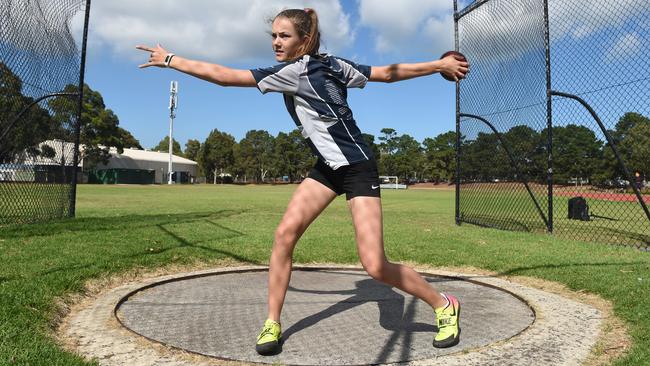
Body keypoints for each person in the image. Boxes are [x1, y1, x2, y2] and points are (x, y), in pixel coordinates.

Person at [137, 7, 469, 355]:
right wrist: (438, 65)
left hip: (357, 167)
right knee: (284, 235)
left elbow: (224, 76)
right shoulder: (316, 66)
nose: (276, 43)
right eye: (274, 36)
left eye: (284, 36)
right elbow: (387, 74)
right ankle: (272, 323)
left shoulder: (311, 69)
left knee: (374, 265)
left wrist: (171, 59)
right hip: (327, 167)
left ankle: (444, 303)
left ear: (305, 40)